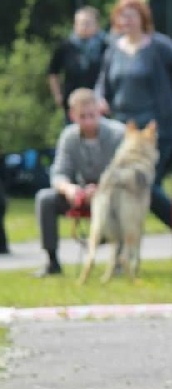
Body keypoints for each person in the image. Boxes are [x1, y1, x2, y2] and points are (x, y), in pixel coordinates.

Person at [96, 0, 172, 229]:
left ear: (142, 18)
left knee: (146, 184)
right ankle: (122, 249)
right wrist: (99, 98)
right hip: (124, 130)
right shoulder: (113, 50)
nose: (126, 21)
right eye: (122, 17)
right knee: (123, 188)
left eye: (131, 16)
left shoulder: (162, 47)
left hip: (158, 129)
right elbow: (103, 83)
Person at [34, 89, 126, 277]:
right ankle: (52, 261)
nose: (88, 121)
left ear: (99, 112)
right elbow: (58, 173)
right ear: (72, 115)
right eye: (82, 117)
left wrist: (102, 189)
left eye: (92, 115)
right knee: (45, 199)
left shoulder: (118, 134)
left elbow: (125, 173)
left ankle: (119, 260)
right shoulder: (69, 137)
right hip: (81, 193)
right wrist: (70, 189)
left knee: (126, 199)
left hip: (113, 193)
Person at [47, 6, 107, 123]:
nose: (84, 27)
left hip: (99, 103)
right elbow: (53, 71)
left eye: (88, 23)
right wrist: (58, 95)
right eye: (80, 23)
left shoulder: (105, 46)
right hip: (72, 103)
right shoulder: (65, 46)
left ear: (97, 25)